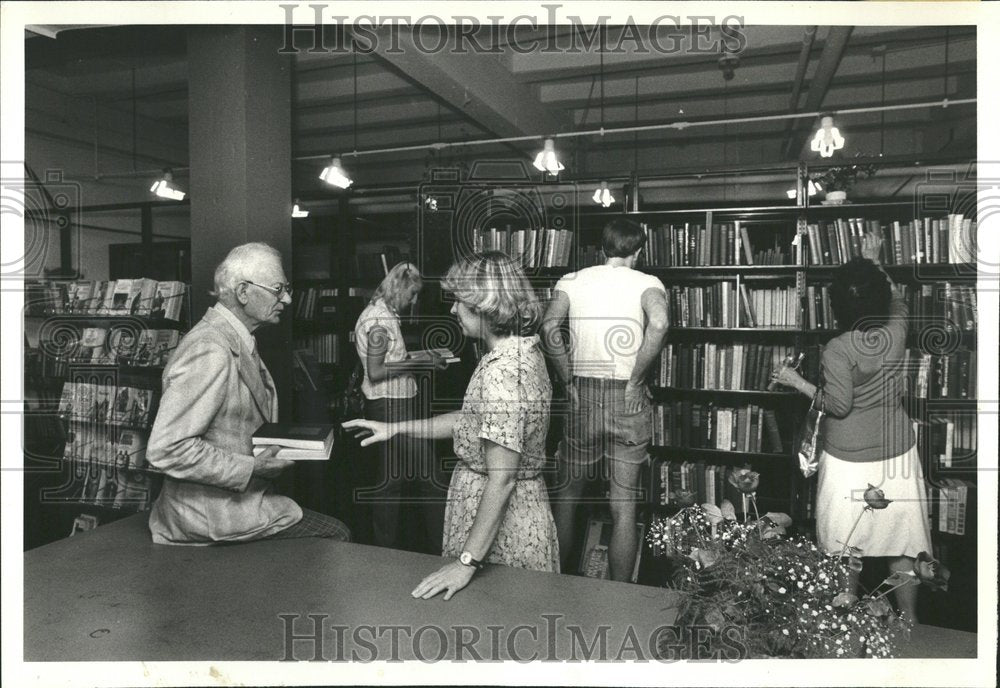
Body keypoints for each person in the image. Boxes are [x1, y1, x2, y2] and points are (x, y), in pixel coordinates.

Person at [344, 251, 558, 600]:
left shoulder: (503, 373)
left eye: (459, 301)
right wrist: (397, 428)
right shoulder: (517, 353)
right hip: (510, 514)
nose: (453, 310)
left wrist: (466, 562)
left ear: (485, 304)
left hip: (502, 526)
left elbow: (502, 479)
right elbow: (471, 421)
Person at [146, 242, 350, 545]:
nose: (289, 299)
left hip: (228, 503)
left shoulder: (233, 339)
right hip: (207, 514)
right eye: (278, 289)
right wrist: (252, 466)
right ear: (243, 292)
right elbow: (166, 448)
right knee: (337, 535)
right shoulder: (210, 350)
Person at [773, 234, 931, 621]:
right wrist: (873, 261)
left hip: (847, 461)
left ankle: (844, 617)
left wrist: (795, 381)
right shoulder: (897, 328)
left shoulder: (838, 348)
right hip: (898, 456)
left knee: (846, 545)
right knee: (903, 544)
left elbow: (837, 406)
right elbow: (894, 297)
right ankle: (909, 621)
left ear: (838, 306)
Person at [541, 218, 669, 581]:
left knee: (567, 501)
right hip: (626, 398)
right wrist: (636, 380)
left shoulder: (572, 281)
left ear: (602, 249)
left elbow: (549, 326)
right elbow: (659, 324)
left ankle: (552, 587)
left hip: (583, 395)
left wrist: (567, 378)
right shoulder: (648, 283)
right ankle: (620, 598)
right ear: (638, 251)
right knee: (624, 509)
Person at [353, 262, 446, 552]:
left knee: (390, 480)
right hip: (389, 406)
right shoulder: (379, 320)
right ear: (400, 288)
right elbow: (377, 371)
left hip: (392, 404)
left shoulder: (383, 314)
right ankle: (446, 548)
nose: (414, 301)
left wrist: (418, 356)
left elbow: (388, 360)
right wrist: (422, 361)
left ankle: (384, 549)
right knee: (433, 478)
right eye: (413, 294)